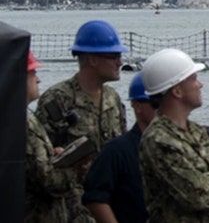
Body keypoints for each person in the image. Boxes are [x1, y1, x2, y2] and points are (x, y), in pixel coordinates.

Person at [138, 48, 209, 223]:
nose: (200, 84)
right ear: (177, 91)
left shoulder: (200, 132)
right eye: (194, 79)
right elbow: (200, 197)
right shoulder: (159, 140)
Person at [36, 19, 129, 223]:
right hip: (71, 212)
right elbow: (41, 165)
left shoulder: (113, 99)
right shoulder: (57, 100)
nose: (120, 62)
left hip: (110, 208)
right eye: (114, 56)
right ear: (92, 60)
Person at [81, 73, 154, 223]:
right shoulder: (117, 151)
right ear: (138, 106)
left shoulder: (179, 145)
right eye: (156, 103)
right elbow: (95, 197)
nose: (164, 108)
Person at [25, 49, 75, 223]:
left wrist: (52, 156)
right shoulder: (24, 124)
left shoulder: (21, 117)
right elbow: (48, 182)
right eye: (33, 73)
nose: (38, 79)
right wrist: (74, 167)